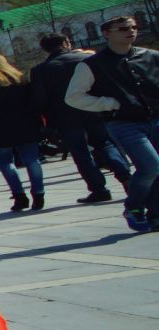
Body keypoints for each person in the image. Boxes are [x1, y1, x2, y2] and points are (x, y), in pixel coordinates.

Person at [64, 13, 159, 233]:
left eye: (134, 27)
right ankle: (133, 206)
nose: (131, 31)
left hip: (155, 118)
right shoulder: (92, 65)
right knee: (151, 166)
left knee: (155, 169)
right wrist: (108, 103)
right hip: (124, 122)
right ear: (106, 34)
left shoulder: (151, 56)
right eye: (124, 28)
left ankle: (155, 214)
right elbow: (74, 96)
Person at [31, 33, 129, 205]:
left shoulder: (41, 70)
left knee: (80, 153)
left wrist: (49, 122)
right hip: (94, 110)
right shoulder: (87, 59)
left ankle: (98, 189)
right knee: (104, 144)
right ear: (65, 43)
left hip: (65, 117)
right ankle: (125, 177)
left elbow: (41, 100)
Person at [0, 53, 45, 212]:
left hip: (0, 127)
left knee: (6, 162)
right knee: (32, 160)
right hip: (26, 123)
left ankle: (19, 197)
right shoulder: (19, 77)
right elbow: (32, 101)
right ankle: (38, 194)